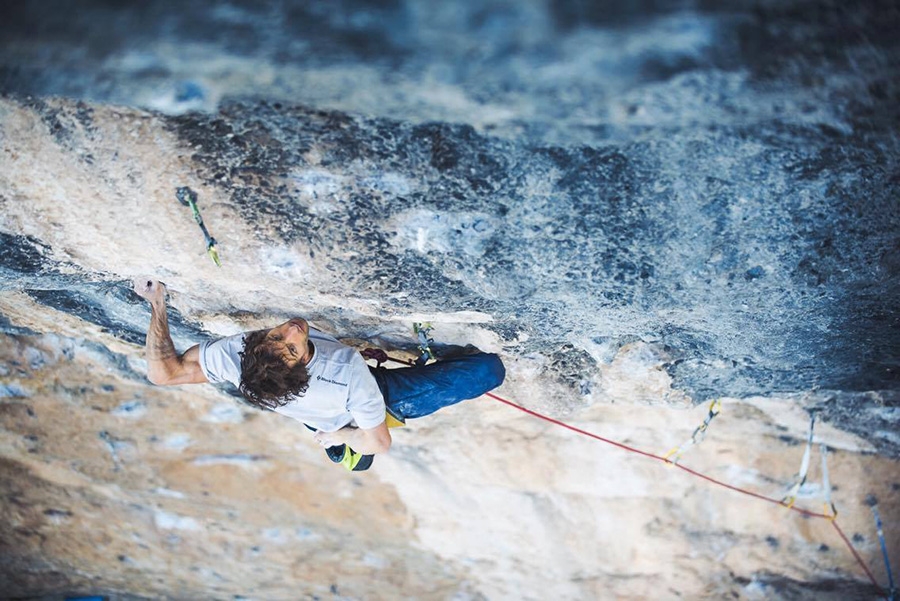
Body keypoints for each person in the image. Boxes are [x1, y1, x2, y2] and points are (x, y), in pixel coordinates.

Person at [133, 277, 506, 470]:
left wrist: (158, 305)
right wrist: (340, 433)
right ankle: (337, 445)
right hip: (359, 407)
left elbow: (164, 374)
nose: (292, 329)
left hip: (316, 410)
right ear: (300, 365)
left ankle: (331, 438)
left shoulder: (238, 355)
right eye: (292, 346)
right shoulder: (349, 375)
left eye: (277, 335)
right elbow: (378, 442)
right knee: (488, 369)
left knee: (333, 433)